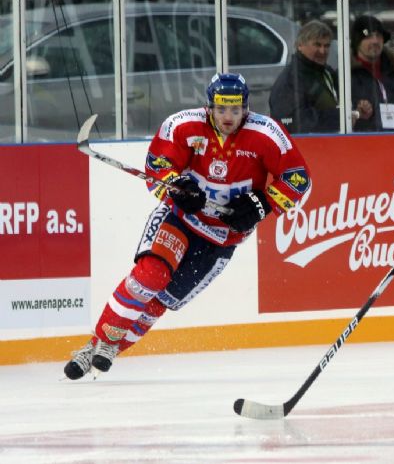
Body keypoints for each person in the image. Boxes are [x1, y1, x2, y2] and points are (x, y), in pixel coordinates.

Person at [64, 73, 311, 380]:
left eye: (236, 110)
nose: (228, 117)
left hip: (223, 237)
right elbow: (157, 165)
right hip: (180, 219)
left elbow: (298, 180)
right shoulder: (183, 125)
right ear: (210, 107)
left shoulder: (267, 134)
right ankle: (99, 344)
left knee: (159, 302)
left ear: (246, 108)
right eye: (222, 109)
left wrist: (261, 205)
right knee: (150, 277)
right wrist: (176, 186)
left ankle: (109, 346)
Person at [269, 20, 340, 134]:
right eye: (317, 45)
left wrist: (357, 111)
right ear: (300, 45)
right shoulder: (291, 80)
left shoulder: (327, 72)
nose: (322, 51)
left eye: (326, 46)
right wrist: (340, 117)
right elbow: (294, 123)